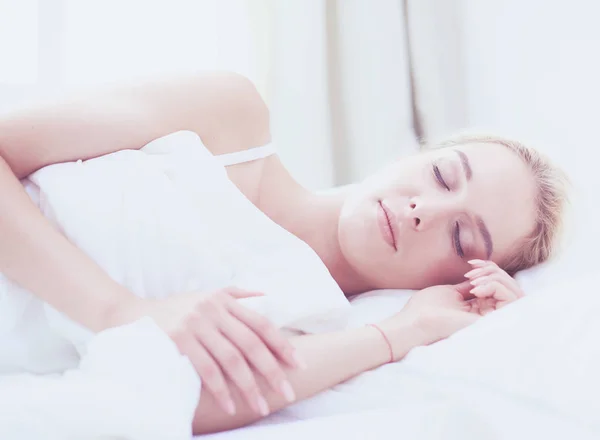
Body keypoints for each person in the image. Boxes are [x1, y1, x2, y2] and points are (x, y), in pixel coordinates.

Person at [0, 72, 567, 434]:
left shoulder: (313, 321)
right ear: (417, 155)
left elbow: (190, 405)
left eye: (461, 237)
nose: (427, 210)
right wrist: (117, 311)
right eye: (443, 176)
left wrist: (407, 331)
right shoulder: (230, 118)